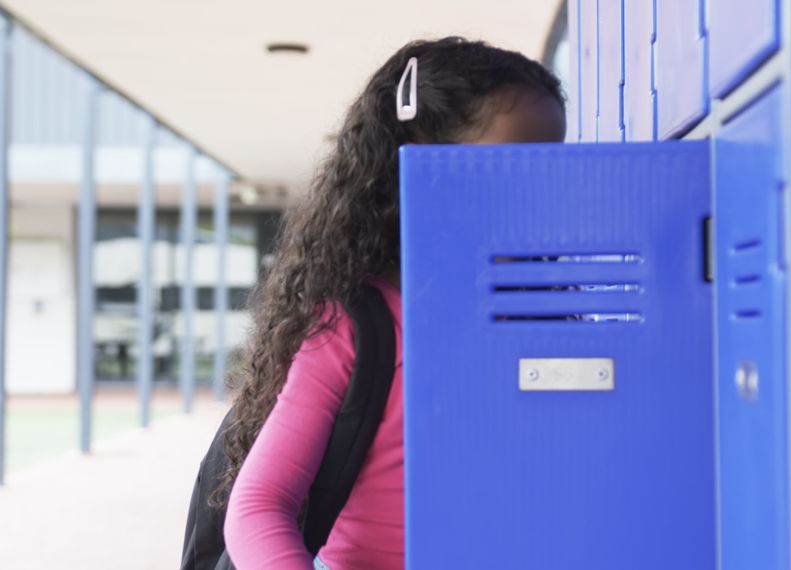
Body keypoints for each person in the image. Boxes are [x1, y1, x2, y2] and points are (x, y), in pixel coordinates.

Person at [219, 37, 566, 570]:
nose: (534, 194)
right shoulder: (358, 326)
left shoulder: (549, 312)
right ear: (419, 160)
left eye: (550, 170)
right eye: (509, 168)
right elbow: (258, 507)